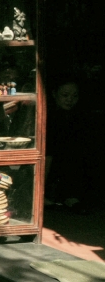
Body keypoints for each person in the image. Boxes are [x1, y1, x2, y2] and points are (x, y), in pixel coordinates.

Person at [45, 79, 91, 212]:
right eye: (65, 95)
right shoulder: (48, 115)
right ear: (54, 94)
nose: (70, 100)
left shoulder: (77, 117)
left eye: (74, 96)